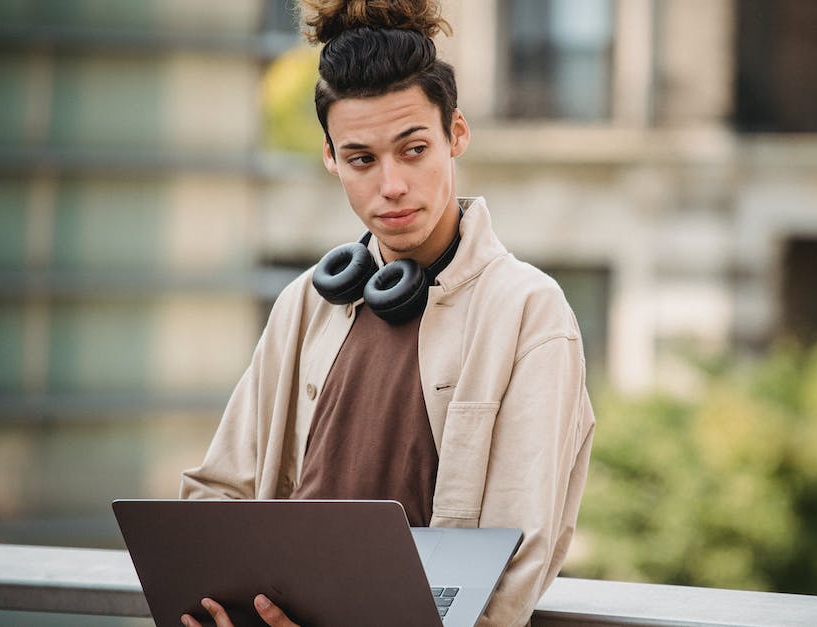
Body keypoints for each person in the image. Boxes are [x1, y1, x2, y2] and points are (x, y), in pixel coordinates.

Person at [177, 1, 595, 625]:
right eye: (362, 159)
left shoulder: (529, 314)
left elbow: (514, 567)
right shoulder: (305, 304)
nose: (391, 185)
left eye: (414, 149)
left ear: (457, 134)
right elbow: (219, 492)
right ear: (331, 158)